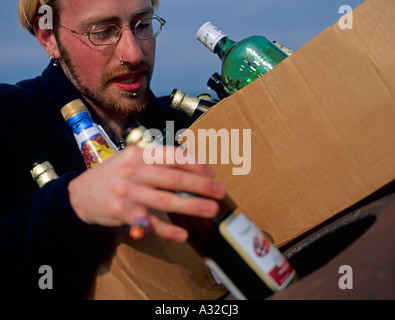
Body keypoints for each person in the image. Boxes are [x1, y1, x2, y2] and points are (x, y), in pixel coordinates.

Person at [0, 0, 226, 299]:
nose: (133, 53)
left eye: (142, 25)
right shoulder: (9, 121)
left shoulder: (188, 125)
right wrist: (72, 204)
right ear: (49, 37)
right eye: (103, 32)